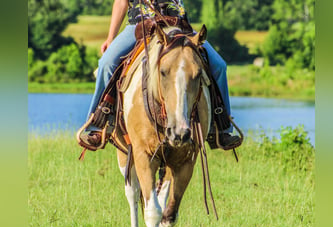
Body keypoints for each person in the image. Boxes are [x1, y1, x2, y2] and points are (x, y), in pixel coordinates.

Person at [81, 0, 241, 150]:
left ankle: (220, 128)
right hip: (141, 24)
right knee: (106, 63)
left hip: (179, 25)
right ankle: (99, 126)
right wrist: (111, 37)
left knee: (219, 66)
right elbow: (121, 2)